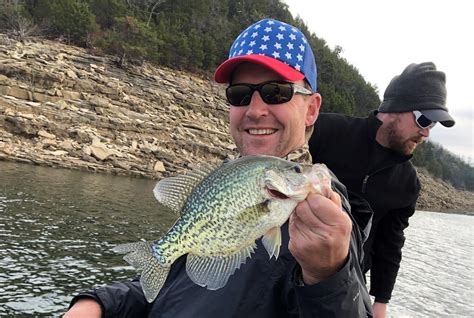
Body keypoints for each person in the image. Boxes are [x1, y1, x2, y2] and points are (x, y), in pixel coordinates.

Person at [64, 18, 372, 317]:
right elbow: (173, 288)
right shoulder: (224, 180)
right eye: (239, 95)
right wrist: (100, 303)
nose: (255, 110)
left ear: (311, 109)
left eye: (276, 92)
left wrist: (328, 275)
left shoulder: (327, 215)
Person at [308, 62, 455, 317]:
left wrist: (381, 302)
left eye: (433, 125)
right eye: (424, 119)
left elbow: (391, 244)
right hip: (288, 266)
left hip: (348, 284)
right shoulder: (325, 131)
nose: (426, 132)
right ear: (394, 107)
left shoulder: (408, 183)